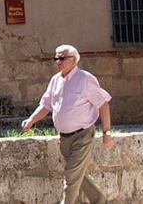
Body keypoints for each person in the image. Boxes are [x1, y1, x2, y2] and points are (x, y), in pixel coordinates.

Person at [21, 44, 113, 204]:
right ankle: (100, 200)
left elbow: (103, 104)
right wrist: (31, 120)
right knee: (77, 175)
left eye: (62, 58)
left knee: (71, 174)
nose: (58, 61)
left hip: (82, 135)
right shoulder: (55, 80)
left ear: (74, 60)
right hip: (64, 139)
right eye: (56, 58)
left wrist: (106, 132)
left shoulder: (85, 79)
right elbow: (46, 105)